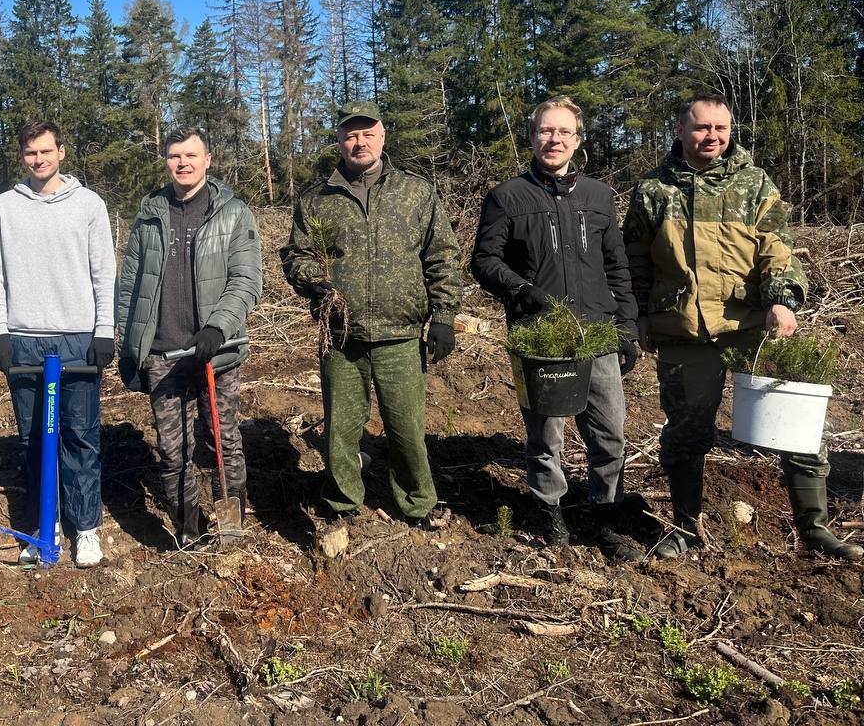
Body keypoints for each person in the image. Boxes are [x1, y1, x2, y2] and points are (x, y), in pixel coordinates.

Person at [624, 94, 862, 561]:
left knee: (800, 426)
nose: (711, 136)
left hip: (752, 323)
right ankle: (685, 528)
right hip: (684, 330)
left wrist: (782, 301)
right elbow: (635, 260)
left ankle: (814, 530)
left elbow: (777, 248)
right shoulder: (653, 190)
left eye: (721, 127)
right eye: (701, 127)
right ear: (680, 131)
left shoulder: (754, 184)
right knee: (686, 433)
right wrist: (641, 315)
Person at [471, 96, 639, 561]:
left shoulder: (598, 196)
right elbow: (483, 260)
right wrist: (522, 290)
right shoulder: (507, 196)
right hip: (539, 338)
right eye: (546, 130)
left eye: (564, 132)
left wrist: (627, 327)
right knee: (546, 435)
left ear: (578, 141)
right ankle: (549, 509)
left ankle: (606, 513)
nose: (554, 139)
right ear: (532, 137)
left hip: (597, 333)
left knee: (609, 434)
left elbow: (617, 266)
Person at [281, 100, 462, 529]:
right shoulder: (317, 198)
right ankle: (341, 502)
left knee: (407, 429)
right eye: (350, 134)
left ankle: (417, 502)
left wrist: (444, 315)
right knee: (341, 429)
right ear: (339, 140)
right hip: (341, 336)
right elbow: (295, 255)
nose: (359, 142)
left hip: (401, 334)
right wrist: (313, 280)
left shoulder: (415, 191)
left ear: (382, 136)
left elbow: (442, 255)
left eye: (367, 133)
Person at [116, 127, 262, 548]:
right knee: (172, 448)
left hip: (216, 353)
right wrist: (130, 348)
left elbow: (246, 280)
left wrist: (219, 326)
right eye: (174, 156)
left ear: (208, 160)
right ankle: (187, 525)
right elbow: (130, 287)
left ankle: (231, 524)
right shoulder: (149, 215)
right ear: (166, 161)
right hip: (162, 355)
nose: (182, 163)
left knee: (222, 441)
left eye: (191, 155)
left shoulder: (233, 213)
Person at [0, 122, 116, 568]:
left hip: (77, 337)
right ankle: (46, 523)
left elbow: (104, 272)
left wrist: (104, 330)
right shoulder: (3, 208)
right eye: (30, 152)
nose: (38, 159)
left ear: (61, 151)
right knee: (34, 439)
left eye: (45, 151)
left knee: (81, 435)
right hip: (24, 340)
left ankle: (86, 529)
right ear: (22, 156)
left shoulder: (88, 205)